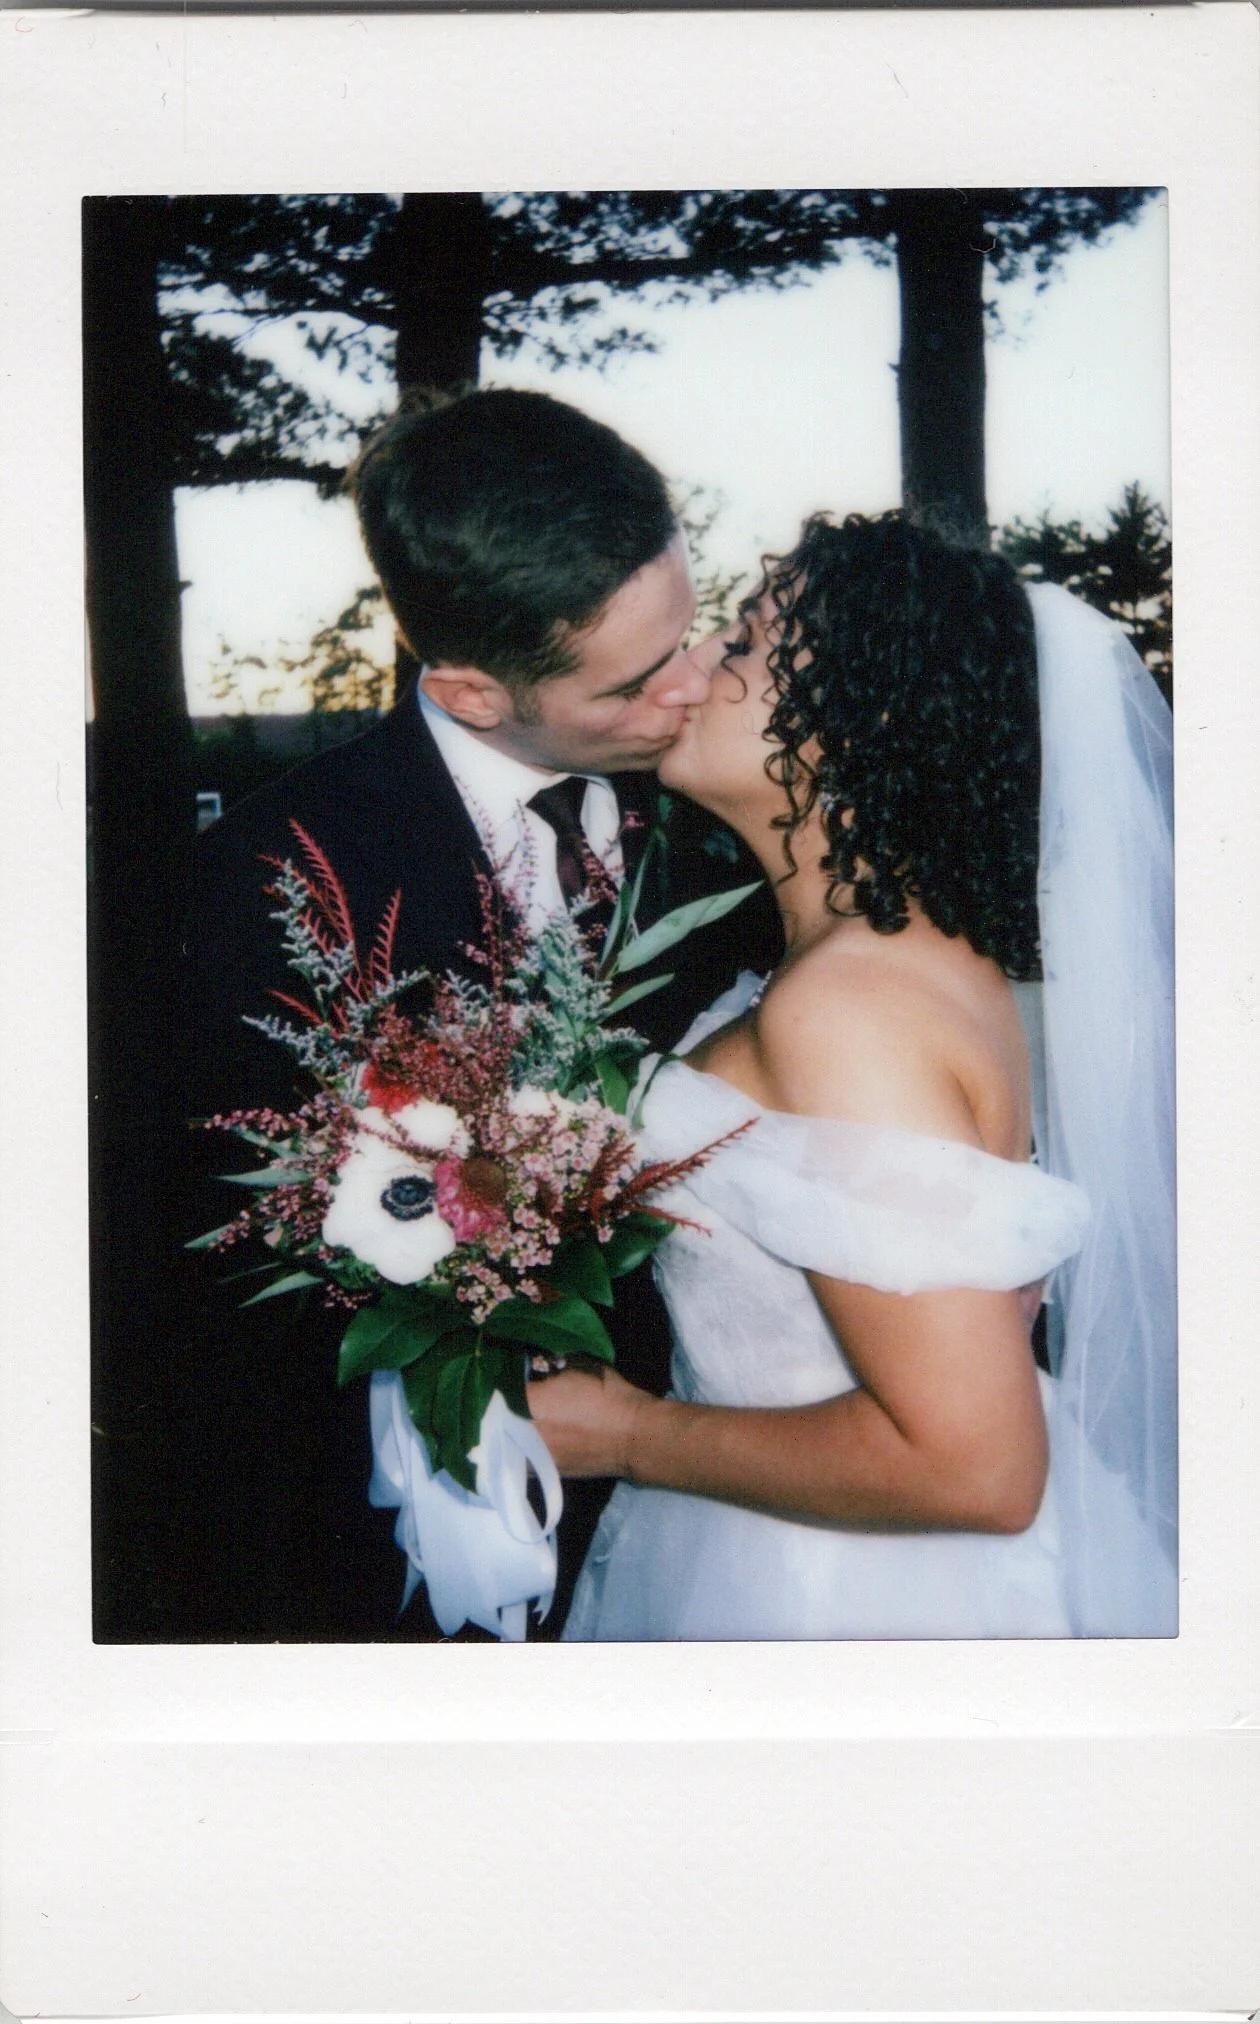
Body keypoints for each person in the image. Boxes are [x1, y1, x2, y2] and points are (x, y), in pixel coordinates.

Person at [166, 387, 780, 1642]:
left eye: (691, 628)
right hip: (397, 1557)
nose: (696, 684)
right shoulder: (281, 878)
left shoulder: (736, 818)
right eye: (635, 678)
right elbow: (220, 1298)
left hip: (713, 1517)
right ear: (472, 689)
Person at [530, 511, 1177, 1641]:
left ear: (850, 720)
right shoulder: (901, 957)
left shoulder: (848, 1004)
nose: (691, 672)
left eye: (738, 645)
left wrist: (625, 1433)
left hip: (836, 1587)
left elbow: (976, 1467)